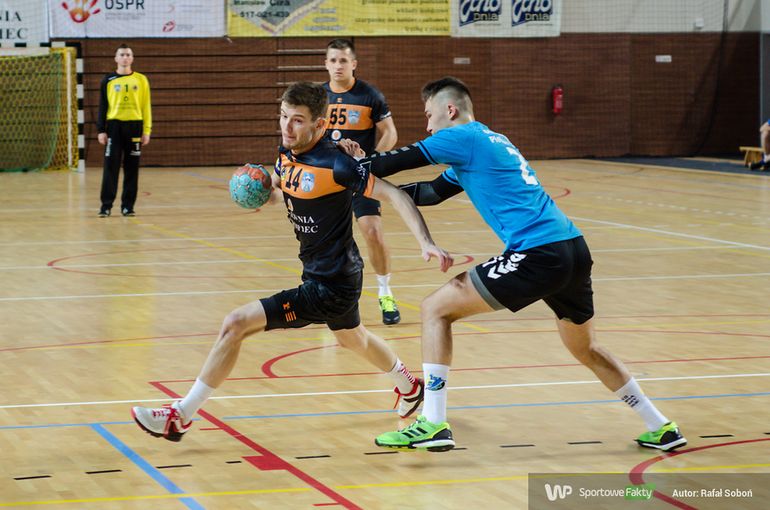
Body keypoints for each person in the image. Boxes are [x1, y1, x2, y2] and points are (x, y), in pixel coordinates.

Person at [337, 77, 687, 453]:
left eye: (428, 115)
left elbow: (391, 163)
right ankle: (660, 426)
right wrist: (381, 192)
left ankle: (433, 423)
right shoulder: (486, 141)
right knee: (586, 348)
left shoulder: (460, 137)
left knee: (434, 309)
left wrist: (349, 164)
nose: (427, 126)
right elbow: (430, 193)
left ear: (449, 110)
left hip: (538, 253)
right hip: (572, 248)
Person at [130, 82, 453, 441]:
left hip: (330, 285)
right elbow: (282, 188)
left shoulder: (337, 163)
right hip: (333, 272)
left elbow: (394, 194)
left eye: (297, 120)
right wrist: (259, 193)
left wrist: (426, 242)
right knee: (354, 338)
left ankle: (180, 416)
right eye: (283, 116)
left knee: (235, 324)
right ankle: (410, 387)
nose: (287, 126)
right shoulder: (286, 153)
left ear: (320, 124)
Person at [323, 39, 402, 325]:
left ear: (354, 64)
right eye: (333, 60)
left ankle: (385, 293)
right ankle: (330, 298)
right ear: (326, 64)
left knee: (373, 233)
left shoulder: (369, 95)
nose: (338, 66)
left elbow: (390, 133)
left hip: (359, 177)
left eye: (343, 60)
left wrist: (372, 162)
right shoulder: (318, 97)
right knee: (328, 241)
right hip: (326, 179)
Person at [96, 44, 152, 217]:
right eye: (122, 54)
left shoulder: (141, 80)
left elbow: (146, 106)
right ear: (116, 58)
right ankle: (106, 206)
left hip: (135, 126)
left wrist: (147, 130)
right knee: (110, 167)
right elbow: (103, 106)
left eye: (128, 54)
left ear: (132, 58)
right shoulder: (108, 80)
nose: (125, 57)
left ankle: (127, 206)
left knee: (132, 168)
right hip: (114, 127)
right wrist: (101, 130)